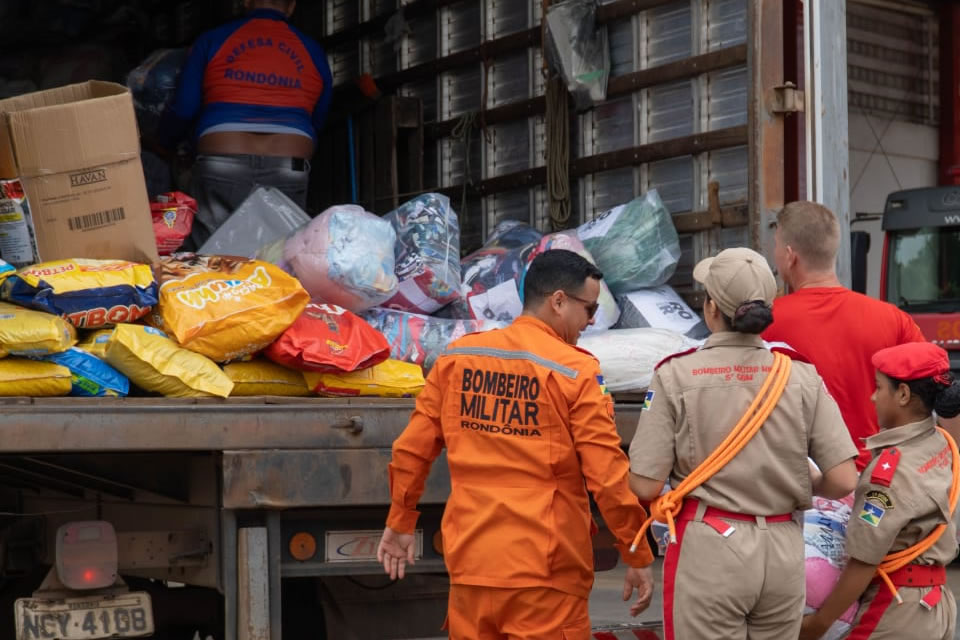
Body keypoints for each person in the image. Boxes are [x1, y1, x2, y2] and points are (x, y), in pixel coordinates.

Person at [377, 249, 655, 639]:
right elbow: (607, 476)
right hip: (545, 575)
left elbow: (411, 449)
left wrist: (400, 520)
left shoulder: (457, 359)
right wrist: (636, 550)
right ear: (558, 301)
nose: (590, 323)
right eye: (589, 311)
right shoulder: (574, 370)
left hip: (472, 566)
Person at [628, 247, 859, 640]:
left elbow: (647, 485)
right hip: (785, 550)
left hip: (710, 546)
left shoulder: (675, 374)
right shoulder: (799, 373)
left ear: (711, 307)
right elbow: (843, 480)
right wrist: (809, 479)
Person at [799, 342, 960, 640]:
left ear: (903, 394)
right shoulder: (939, 443)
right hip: (933, 603)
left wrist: (818, 623)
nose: (872, 397)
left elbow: (863, 560)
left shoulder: (888, 474)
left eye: (879, 387)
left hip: (896, 608)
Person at [762, 201, 926, 470]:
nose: (775, 254)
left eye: (777, 245)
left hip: (805, 484)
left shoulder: (766, 322)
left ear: (790, 256)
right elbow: (940, 392)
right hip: (878, 478)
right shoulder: (893, 319)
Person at [157, 0, 333, 248]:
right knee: (280, 255)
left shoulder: (212, 40)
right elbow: (319, 119)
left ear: (245, 2)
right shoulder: (313, 50)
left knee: (216, 255)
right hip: (289, 165)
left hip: (221, 163)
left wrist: (164, 143)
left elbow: (184, 109)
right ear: (292, 6)